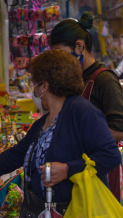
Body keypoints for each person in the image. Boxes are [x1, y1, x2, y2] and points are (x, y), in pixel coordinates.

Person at [0, 50, 122, 218]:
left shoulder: (83, 112)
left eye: (33, 83)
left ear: (44, 86)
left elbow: (110, 156)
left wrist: (67, 169)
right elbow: (15, 156)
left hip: (70, 217)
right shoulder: (45, 121)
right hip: (38, 216)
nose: (33, 89)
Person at [50, 11, 123, 202]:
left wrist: (78, 136)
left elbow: (120, 129)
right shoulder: (73, 79)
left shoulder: (104, 79)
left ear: (79, 46)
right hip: (74, 169)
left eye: (61, 54)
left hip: (98, 170)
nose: (59, 62)